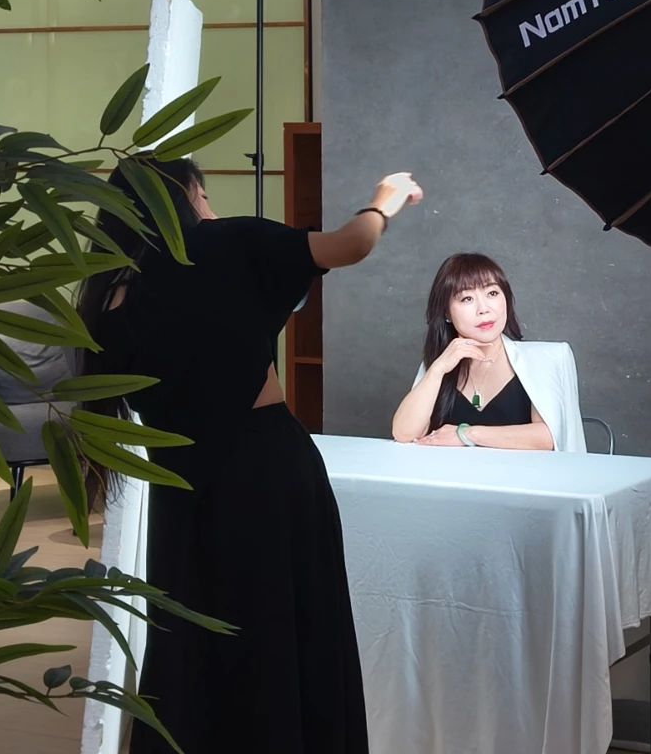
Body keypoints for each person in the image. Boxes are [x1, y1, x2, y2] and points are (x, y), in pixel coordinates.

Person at [77, 156, 423, 754]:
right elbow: (352, 243)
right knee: (283, 634)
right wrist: (384, 200)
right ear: (184, 199)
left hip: (181, 487)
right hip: (266, 473)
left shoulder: (105, 300)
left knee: (194, 650)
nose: (210, 209)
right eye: (203, 196)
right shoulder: (221, 245)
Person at [390, 253, 586, 451]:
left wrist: (466, 434)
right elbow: (404, 434)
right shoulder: (440, 364)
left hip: (521, 472)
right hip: (451, 472)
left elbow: (547, 438)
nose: (483, 309)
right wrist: (438, 369)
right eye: (467, 298)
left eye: (492, 293)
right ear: (447, 313)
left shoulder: (545, 358)